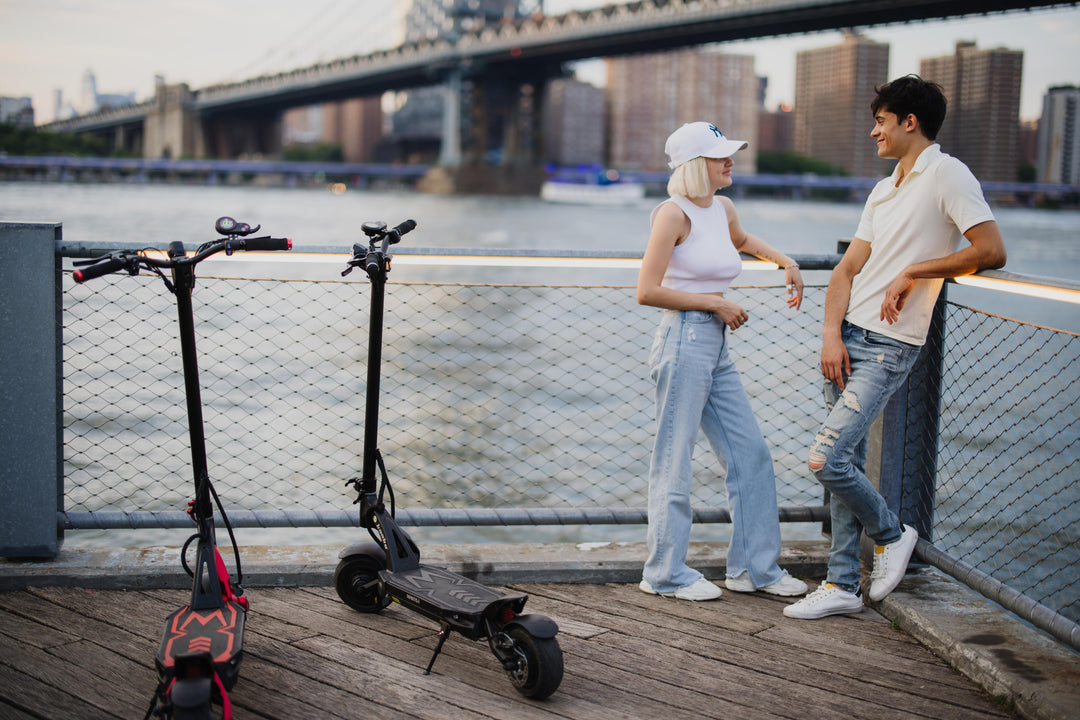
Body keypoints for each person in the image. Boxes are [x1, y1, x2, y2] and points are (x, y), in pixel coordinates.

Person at [783, 75, 1007, 620]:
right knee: (846, 464)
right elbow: (845, 270)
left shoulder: (947, 174)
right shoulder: (885, 188)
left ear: (910, 122)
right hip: (850, 337)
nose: (873, 130)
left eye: (881, 121)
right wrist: (830, 334)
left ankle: (891, 533)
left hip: (889, 345)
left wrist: (915, 270)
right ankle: (840, 586)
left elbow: (991, 249)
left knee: (826, 458)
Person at [636, 121, 809, 601]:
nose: (731, 161)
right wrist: (716, 303)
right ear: (695, 166)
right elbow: (647, 290)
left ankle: (755, 571)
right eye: (720, 156)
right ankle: (664, 574)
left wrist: (786, 262)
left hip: (714, 347)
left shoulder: (722, 207)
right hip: (683, 340)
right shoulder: (672, 215)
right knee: (675, 461)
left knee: (750, 455)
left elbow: (743, 240)